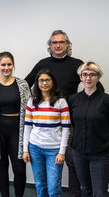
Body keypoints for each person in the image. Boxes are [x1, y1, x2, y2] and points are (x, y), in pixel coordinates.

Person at [25, 30, 104, 197]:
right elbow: (25, 84)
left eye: (62, 42)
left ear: (68, 45)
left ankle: (75, 194)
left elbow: (96, 86)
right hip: (47, 121)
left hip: (71, 120)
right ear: (50, 45)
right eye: (54, 42)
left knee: (73, 161)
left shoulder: (77, 64)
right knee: (49, 172)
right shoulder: (42, 64)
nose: (58, 45)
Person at [0, 52, 31, 197]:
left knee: (20, 169)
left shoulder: (22, 84)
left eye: (9, 64)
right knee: (2, 167)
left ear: (13, 65)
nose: (6, 67)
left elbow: (29, 110)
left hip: (18, 131)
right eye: (3, 64)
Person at [68, 61, 109, 197]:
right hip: (79, 152)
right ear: (80, 77)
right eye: (84, 74)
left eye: (92, 74)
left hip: (100, 154)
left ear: (98, 77)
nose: (88, 78)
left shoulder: (107, 100)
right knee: (85, 189)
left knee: (100, 192)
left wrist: (102, 140)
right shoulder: (73, 100)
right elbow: (72, 123)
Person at [23, 69, 70, 197]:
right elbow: (27, 127)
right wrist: (25, 150)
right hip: (35, 148)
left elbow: (66, 128)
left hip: (54, 150)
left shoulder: (61, 102)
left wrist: (62, 152)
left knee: (54, 188)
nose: (44, 83)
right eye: (41, 80)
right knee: (40, 186)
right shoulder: (32, 101)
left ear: (53, 82)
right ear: (37, 83)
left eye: (47, 80)